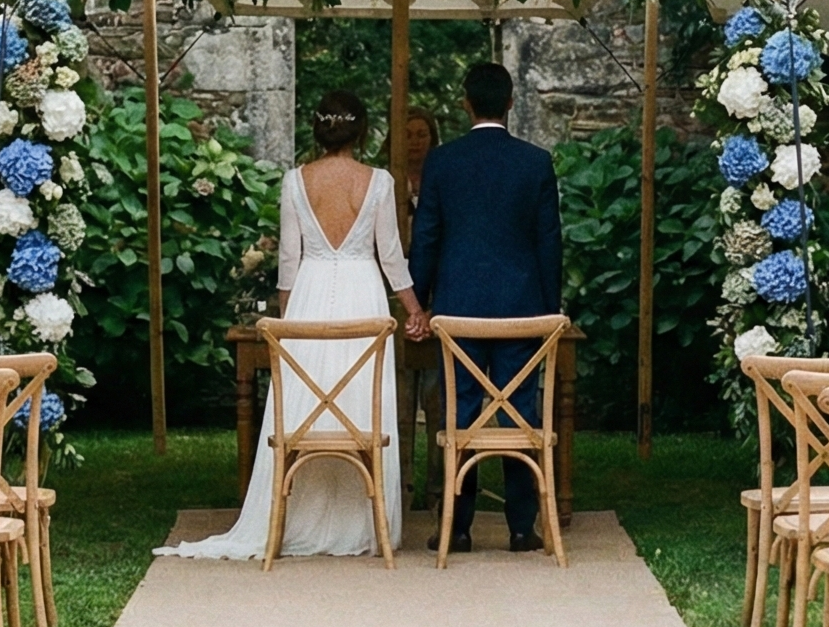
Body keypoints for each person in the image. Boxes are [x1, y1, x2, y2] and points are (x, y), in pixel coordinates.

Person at [159, 91, 422, 559]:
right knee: (361, 406)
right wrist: (414, 310)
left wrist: (284, 319)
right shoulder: (379, 181)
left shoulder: (295, 181)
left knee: (306, 405)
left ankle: (290, 515)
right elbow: (391, 257)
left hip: (309, 297)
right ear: (361, 133)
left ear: (318, 131)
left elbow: (288, 262)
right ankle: (365, 524)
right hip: (365, 295)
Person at [405, 62, 562, 553]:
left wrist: (422, 301)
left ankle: (458, 525)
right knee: (520, 412)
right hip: (521, 306)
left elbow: (427, 235)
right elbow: (549, 242)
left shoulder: (443, 162)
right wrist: (549, 308)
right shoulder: (535, 162)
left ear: (465, 103)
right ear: (511, 103)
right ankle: (521, 527)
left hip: (458, 307)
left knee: (460, 413)